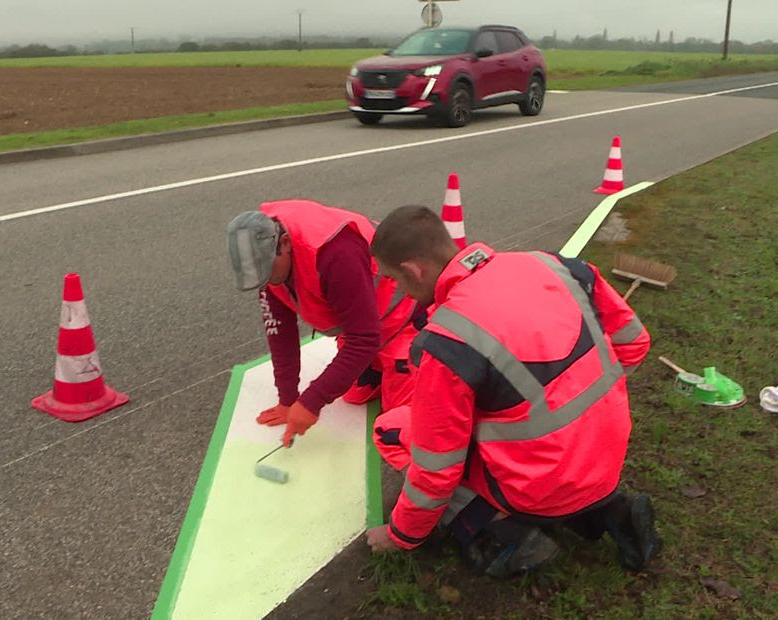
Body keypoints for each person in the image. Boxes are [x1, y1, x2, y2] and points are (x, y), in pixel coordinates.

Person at [363, 205, 658, 577]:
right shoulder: (557, 266)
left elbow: (436, 471)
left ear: (413, 270)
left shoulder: (447, 341)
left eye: (396, 280)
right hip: (607, 455)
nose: (401, 292)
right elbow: (634, 343)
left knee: (393, 428)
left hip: (540, 485)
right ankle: (607, 508)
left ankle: (504, 533)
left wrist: (400, 536)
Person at [226, 200, 422, 447]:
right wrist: (288, 399)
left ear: (284, 243)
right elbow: (280, 333)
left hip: (406, 317)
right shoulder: (266, 262)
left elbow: (364, 339)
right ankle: (378, 369)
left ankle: (414, 363)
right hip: (366, 319)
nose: (267, 281)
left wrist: (311, 402)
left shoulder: (335, 254)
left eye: (267, 270)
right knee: (352, 396)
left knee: (398, 423)